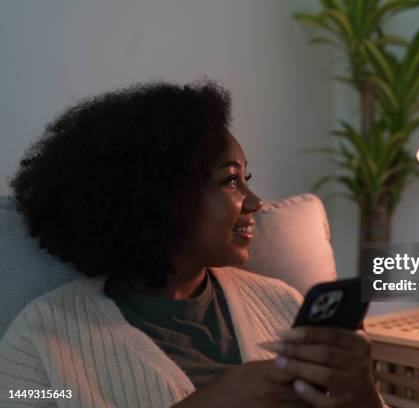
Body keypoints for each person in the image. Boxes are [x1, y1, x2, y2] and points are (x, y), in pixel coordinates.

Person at [0, 81, 386, 407]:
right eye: (231, 181)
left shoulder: (281, 303)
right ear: (164, 196)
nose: (256, 203)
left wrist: (362, 392)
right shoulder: (44, 336)